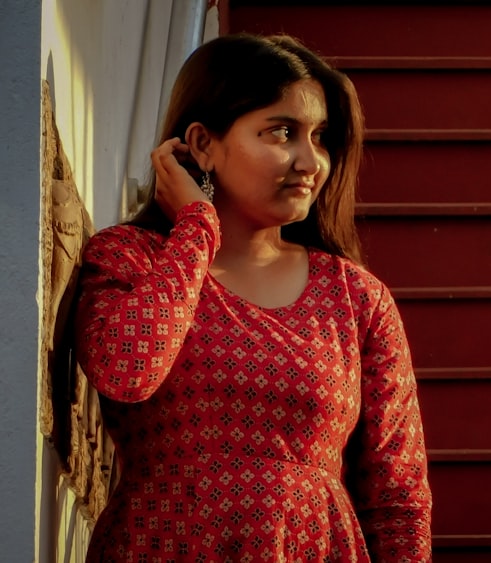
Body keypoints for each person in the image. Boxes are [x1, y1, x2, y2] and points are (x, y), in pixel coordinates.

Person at [73, 33, 432, 562]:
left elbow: (398, 498)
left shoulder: (356, 298)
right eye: (282, 131)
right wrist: (197, 227)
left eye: (322, 137)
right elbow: (125, 373)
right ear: (202, 145)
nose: (311, 161)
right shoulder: (132, 259)